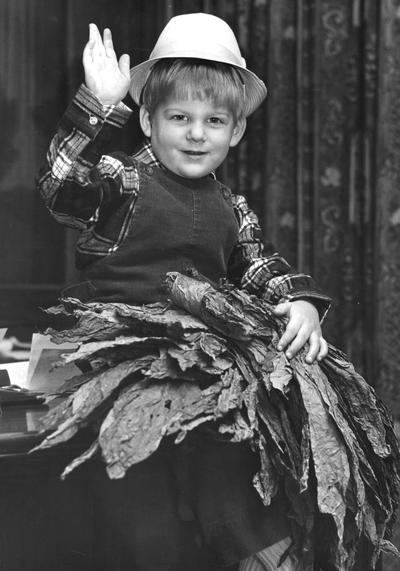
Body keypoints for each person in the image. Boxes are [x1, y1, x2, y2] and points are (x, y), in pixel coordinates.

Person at [36, 13, 337, 571]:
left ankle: (257, 551)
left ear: (236, 130)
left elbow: (260, 266)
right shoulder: (122, 181)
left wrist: (301, 303)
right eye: (179, 117)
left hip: (202, 366)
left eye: (214, 120)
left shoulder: (233, 207)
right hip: (122, 365)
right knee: (142, 510)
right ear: (147, 121)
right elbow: (60, 184)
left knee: (229, 473)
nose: (197, 133)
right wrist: (96, 107)